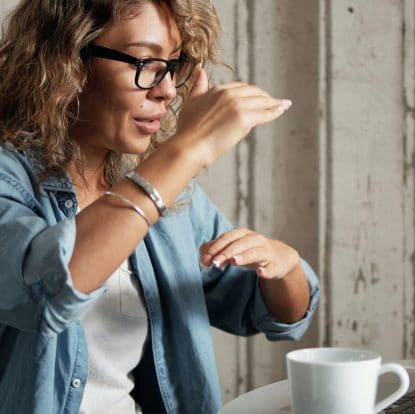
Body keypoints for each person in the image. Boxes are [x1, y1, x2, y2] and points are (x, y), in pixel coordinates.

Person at [0, 0, 320, 413]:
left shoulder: (166, 196)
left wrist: (285, 264)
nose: (167, 89)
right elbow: (47, 290)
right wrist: (187, 151)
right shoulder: (11, 179)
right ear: (68, 63)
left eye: (172, 64)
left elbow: (270, 312)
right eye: (145, 62)